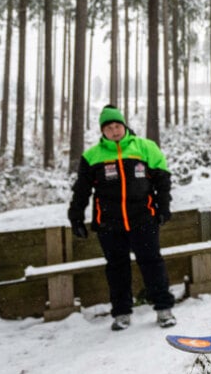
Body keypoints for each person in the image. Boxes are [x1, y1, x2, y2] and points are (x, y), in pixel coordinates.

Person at [68, 105, 177, 330]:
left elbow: (162, 180)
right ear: (102, 131)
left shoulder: (145, 147)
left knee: (152, 263)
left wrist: (164, 207)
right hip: (109, 224)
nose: (114, 131)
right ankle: (122, 313)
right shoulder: (92, 156)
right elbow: (81, 190)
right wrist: (76, 217)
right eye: (108, 128)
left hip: (143, 219)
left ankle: (164, 309)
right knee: (117, 268)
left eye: (117, 126)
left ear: (124, 126)